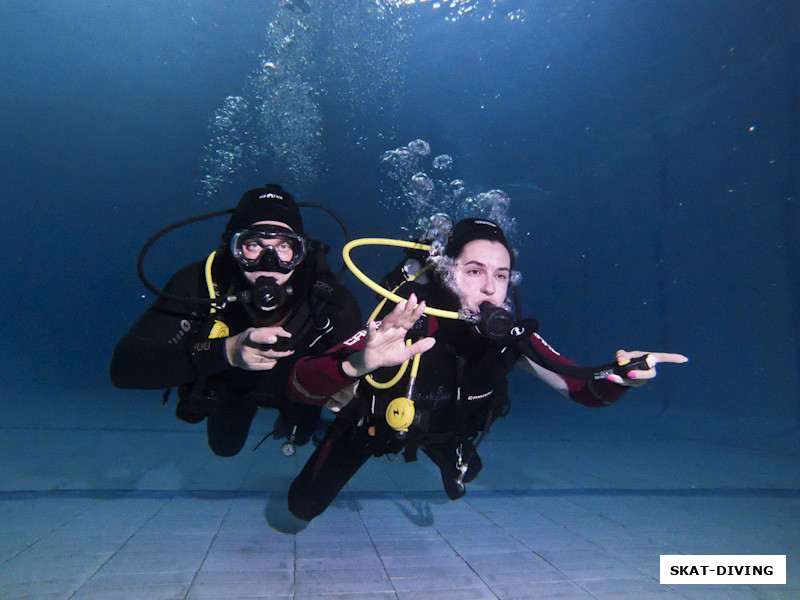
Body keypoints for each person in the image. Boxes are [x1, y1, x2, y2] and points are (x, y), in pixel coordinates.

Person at [285, 218, 688, 521]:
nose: (491, 290)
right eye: (474, 271)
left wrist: (618, 378)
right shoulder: (406, 320)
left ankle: (450, 456)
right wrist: (362, 362)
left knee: (466, 469)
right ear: (447, 272)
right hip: (375, 427)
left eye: (501, 275)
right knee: (302, 505)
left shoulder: (510, 335)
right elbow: (301, 382)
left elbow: (579, 386)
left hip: (449, 430)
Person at [110, 184, 362, 456]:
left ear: (301, 252)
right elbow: (125, 367)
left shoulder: (329, 300)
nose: (270, 263)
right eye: (253, 245)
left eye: (284, 246)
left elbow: (360, 371)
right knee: (224, 447)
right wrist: (226, 351)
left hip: (298, 391)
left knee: (302, 433)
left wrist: (354, 381)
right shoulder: (199, 284)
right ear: (232, 247)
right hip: (233, 392)